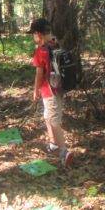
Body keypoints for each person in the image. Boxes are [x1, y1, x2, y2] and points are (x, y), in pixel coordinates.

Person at [28, 18, 73, 167]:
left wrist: (35, 90)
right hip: (59, 88)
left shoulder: (41, 51)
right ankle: (53, 143)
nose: (33, 38)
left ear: (38, 34)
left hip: (49, 90)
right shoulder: (55, 44)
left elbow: (39, 74)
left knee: (54, 121)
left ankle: (64, 151)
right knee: (48, 116)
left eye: (33, 35)